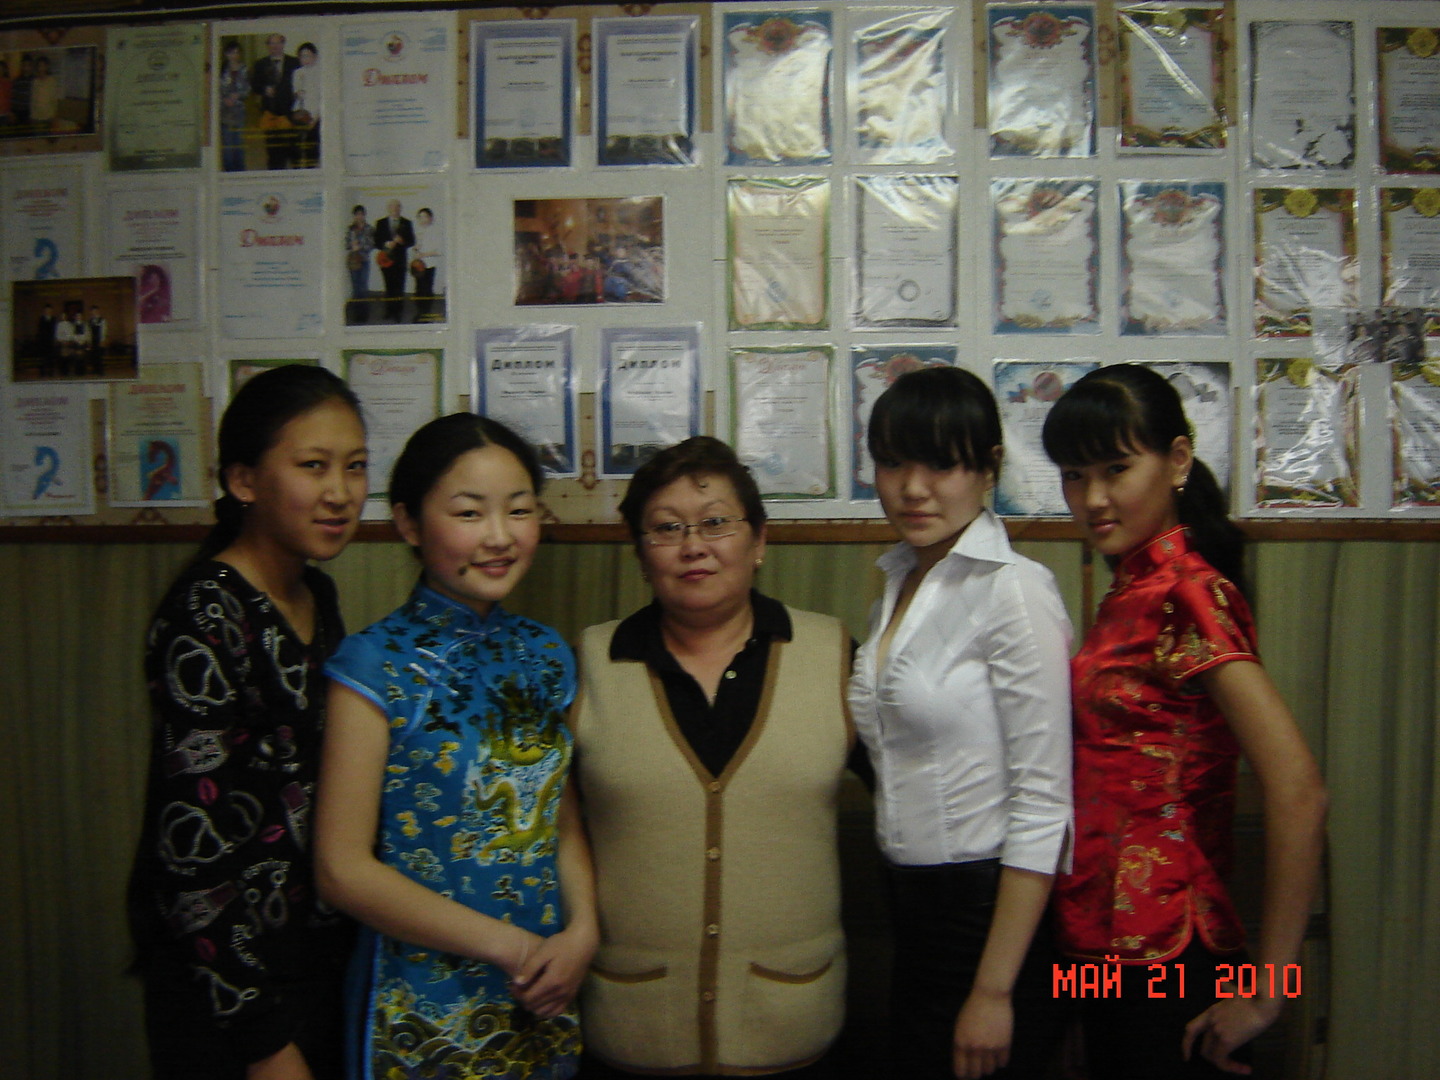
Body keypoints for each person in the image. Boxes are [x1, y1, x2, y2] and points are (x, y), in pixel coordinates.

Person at [1040, 364, 1328, 1080]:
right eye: (1074, 476)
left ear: (1176, 461)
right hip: (1097, 947)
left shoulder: (1190, 593)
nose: (1093, 498)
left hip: (1173, 947)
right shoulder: (1128, 592)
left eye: (1116, 469)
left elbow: (1299, 791)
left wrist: (1268, 991)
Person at [315, 413, 594, 1080]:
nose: (500, 536)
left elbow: (560, 821)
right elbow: (341, 869)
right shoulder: (371, 666)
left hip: (544, 989)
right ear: (409, 524)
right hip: (422, 999)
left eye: (519, 510)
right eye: (469, 513)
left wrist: (584, 931)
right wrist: (513, 948)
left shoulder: (547, 655)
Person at [572, 436, 857, 1079]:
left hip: (794, 1026)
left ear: (759, 542)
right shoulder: (589, 663)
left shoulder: (834, 655)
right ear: (641, 553)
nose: (693, 546)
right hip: (630, 1029)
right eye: (666, 528)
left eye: (716, 523)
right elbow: (549, 830)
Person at [127, 364, 369, 1080]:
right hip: (229, 986)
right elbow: (191, 851)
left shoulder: (314, 594)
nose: (340, 492)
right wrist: (263, 1041)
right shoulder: (204, 615)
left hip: (311, 956)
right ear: (243, 480)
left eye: (355, 466)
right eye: (313, 466)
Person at [848, 367, 1072, 1080]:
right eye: (893, 463)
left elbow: (1045, 800)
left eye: (940, 464)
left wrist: (994, 989)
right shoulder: (898, 583)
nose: (913, 488)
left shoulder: (1014, 590)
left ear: (988, 467)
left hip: (989, 919)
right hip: (910, 911)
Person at [251, 33, 299, 169]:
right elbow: (254, 85)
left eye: (278, 43)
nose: (275, 46)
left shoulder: (294, 62)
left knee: (292, 148)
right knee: (273, 149)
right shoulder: (261, 64)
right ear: (267, 46)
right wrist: (264, 89)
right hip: (270, 113)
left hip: (290, 112)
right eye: (271, 43)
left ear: (283, 44)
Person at [372, 199, 414, 322]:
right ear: (388, 208)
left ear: (400, 208)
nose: (395, 209)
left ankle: (398, 312)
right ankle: (389, 310)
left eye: (397, 207)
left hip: (400, 260)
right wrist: (386, 244)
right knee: (388, 286)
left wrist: (402, 241)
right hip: (385, 259)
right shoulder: (380, 223)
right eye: (392, 207)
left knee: (399, 287)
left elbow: (412, 241)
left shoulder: (407, 222)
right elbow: (376, 242)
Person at [218, 41, 251, 172]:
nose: (234, 55)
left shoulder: (244, 69)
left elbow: (248, 89)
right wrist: (224, 99)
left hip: (239, 111)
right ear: (226, 54)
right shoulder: (220, 70)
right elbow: (216, 90)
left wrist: (238, 95)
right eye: (231, 52)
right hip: (225, 112)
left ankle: (240, 171)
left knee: (239, 143)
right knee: (227, 144)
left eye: (237, 52)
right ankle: (228, 171)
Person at [344, 205, 375, 324]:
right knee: (355, 287)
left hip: (364, 260)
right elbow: (346, 244)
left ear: (364, 215)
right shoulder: (350, 228)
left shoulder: (369, 228)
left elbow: (371, 245)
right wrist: (352, 245)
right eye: (357, 214)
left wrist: (360, 246)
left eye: (361, 214)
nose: (359, 217)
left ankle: (364, 314)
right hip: (353, 261)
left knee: (363, 287)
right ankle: (356, 314)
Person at [290, 43, 320, 169]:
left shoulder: (321, 73)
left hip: (316, 113)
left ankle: (311, 168)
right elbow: (296, 91)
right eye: (302, 56)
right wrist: (298, 92)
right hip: (301, 112)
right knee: (296, 143)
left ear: (315, 56)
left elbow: (322, 97)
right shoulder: (297, 72)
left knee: (312, 145)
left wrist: (316, 117)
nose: (305, 59)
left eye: (308, 56)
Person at [410, 206, 442, 322]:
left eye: (425, 217)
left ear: (430, 218)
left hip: (429, 265)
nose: (423, 219)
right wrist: (415, 249)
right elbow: (417, 247)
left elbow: (439, 251)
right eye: (420, 217)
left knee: (426, 290)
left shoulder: (435, 231)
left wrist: (423, 254)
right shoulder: (418, 230)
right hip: (418, 265)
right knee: (418, 290)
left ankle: (426, 314)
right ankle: (420, 312)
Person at [87, 304, 106, 374]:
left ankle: (100, 370)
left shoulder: (102, 320)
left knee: (99, 355)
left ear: (98, 311)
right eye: (92, 311)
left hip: (99, 339)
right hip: (92, 339)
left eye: (95, 311)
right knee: (93, 355)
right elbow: (88, 331)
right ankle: (95, 370)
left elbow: (104, 330)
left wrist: (102, 340)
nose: (94, 312)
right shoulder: (90, 320)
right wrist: (89, 341)